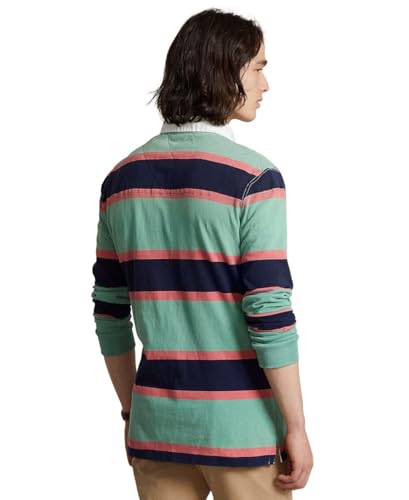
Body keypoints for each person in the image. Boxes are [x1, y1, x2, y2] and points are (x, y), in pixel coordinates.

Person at [91, 7, 313, 500]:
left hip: (156, 430)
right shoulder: (254, 179)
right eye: (258, 68)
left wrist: (132, 410)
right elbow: (269, 311)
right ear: (225, 70)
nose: (265, 84)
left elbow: (109, 310)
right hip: (243, 432)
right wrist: (296, 426)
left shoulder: (120, 181)